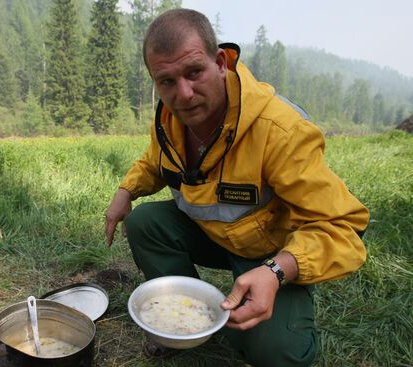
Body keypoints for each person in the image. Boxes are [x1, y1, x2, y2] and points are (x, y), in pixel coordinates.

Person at [104, 8, 369, 367]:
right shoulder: (170, 121)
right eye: (166, 81)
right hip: (214, 238)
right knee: (144, 223)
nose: (183, 94)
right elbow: (156, 160)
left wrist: (279, 271)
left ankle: (260, 315)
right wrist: (125, 192)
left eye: (194, 72)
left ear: (220, 62)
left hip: (272, 254)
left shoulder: (279, 131)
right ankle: (184, 326)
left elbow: (345, 227)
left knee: (276, 353)